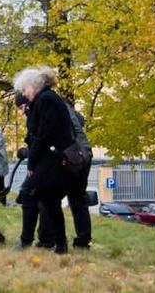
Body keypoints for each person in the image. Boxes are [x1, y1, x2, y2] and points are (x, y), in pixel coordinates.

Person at [14, 66, 75, 255]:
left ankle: (26, 242)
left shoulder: (46, 100)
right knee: (50, 201)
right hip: (51, 157)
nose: (24, 94)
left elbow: (43, 135)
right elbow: (36, 134)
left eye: (24, 90)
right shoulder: (44, 100)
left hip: (50, 158)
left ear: (33, 86)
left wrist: (32, 162)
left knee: (29, 194)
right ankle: (60, 245)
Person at [13, 91, 53, 251]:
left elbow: (41, 141)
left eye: (22, 107)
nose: (21, 112)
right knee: (46, 201)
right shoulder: (53, 106)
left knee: (31, 197)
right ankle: (46, 240)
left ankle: (28, 241)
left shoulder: (40, 110)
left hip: (51, 162)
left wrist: (29, 156)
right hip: (67, 159)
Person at [63, 96, 93, 249]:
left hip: (73, 155)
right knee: (78, 199)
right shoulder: (70, 109)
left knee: (49, 197)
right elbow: (81, 120)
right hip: (85, 152)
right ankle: (83, 240)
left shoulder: (52, 106)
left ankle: (49, 239)